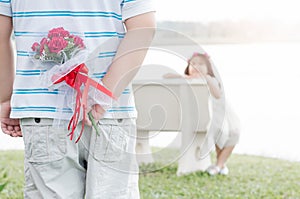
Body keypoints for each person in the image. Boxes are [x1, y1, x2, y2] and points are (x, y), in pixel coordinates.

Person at [0, 0, 156, 198]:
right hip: (110, 113)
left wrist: (6, 98)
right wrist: (104, 93)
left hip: (42, 108)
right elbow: (144, 28)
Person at [163, 52, 241, 176]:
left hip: (222, 113)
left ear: (208, 68)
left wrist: (207, 79)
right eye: (193, 63)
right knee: (220, 133)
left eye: (201, 64)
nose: (196, 66)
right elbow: (167, 75)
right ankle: (220, 165)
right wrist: (179, 76)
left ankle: (219, 165)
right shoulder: (190, 80)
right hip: (208, 117)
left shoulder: (210, 79)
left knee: (231, 134)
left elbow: (217, 94)